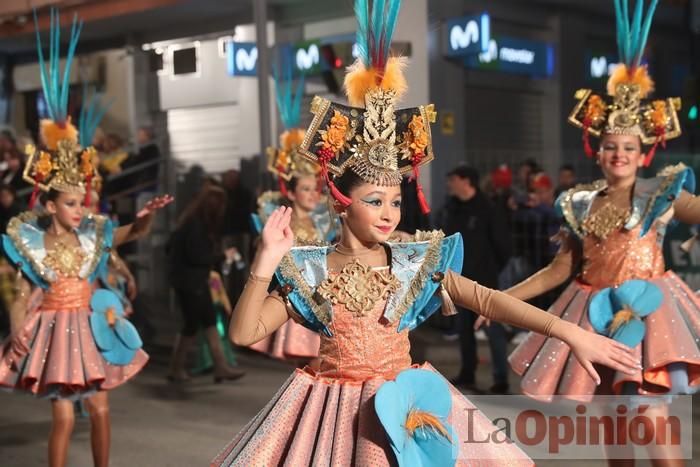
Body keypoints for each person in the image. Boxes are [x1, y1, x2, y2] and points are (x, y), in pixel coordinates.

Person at [211, 3, 638, 464]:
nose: (389, 213)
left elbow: (488, 299)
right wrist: (265, 262)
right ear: (341, 201)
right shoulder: (310, 269)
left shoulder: (414, 259)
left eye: (396, 201)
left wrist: (568, 333)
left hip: (405, 409)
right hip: (335, 418)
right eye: (374, 201)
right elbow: (243, 333)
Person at [486, 2, 700, 464]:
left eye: (628, 147)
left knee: (653, 423)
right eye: (610, 147)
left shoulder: (661, 192)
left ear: (644, 154)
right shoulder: (578, 202)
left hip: (648, 321)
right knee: (614, 432)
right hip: (593, 319)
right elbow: (558, 270)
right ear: (597, 151)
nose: (619, 154)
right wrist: (499, 299)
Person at [0, 13, 172, 467]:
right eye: (72, 203)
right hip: (55, 330)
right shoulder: (30, 238)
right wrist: (18, 321)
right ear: (52, 205)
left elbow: (128, 233)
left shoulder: (94, 233)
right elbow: (21, 288)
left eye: (83, 201)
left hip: (91, 329)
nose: (82, 209)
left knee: (99, 409)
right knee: (62, 420)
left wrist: (145, 219)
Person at [246, 73, 339, 363]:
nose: (314, 195)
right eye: (306, 189)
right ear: (293, 193)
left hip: (324, 298)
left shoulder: (324, 221)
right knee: (310, 365)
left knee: (322, 364)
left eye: (316, 189)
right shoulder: (279, 224)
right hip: (296, 298)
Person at [435, 165, 512, 394]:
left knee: (493, 330)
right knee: (464, 331)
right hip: (458, 281)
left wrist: (490, 271)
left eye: (453, 179)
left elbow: (503, 246)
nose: (449, 184)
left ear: (466, 181)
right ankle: (467, 373)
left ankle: (501, 379)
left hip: (484, 283)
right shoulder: (453, 209)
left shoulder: (488, 208)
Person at [166, 182, 245, 383]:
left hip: (190, 281)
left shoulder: (189, 222)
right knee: (194, 325)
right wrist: (221, 255)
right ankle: (180, 368)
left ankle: (219, 366)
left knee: (204, 323)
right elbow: (197, 256)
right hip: (192, 283)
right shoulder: (196, 226)